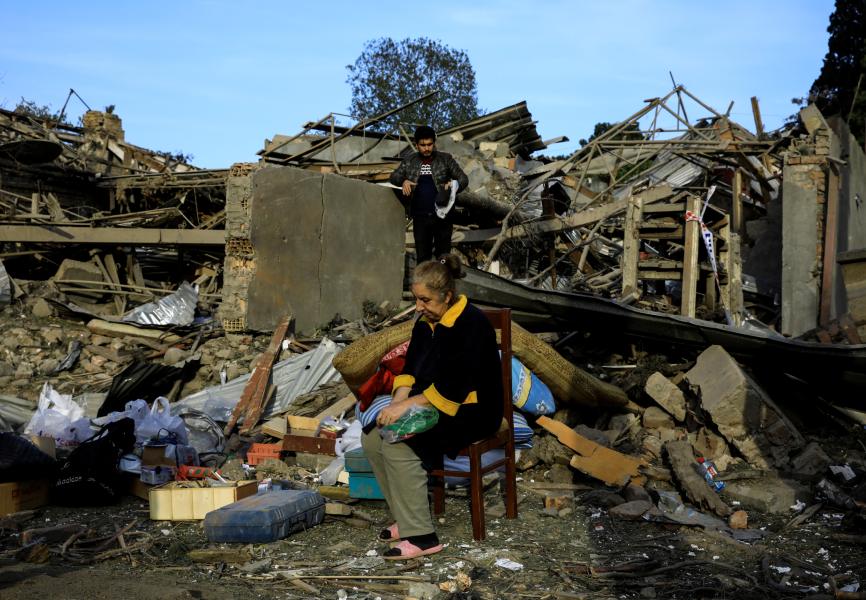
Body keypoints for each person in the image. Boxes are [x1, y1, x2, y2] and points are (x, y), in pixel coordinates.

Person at [360, 255, 504, 559]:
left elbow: (458, 384)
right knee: (373, 437)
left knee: (401, 443)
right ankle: (405, 516)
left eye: (425, 299)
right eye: (416, 298)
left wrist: (408, 406)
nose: (419, 306)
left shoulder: (472, 324)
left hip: (472, 409)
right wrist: (398, 402)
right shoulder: (425, 324)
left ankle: (423, 538)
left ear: (447, 296)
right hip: (433, 404)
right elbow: (410, 369)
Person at [389, 125, 469, 263]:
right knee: (423, 259)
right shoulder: (409, 161)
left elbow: (463, 179)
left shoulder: (445, 159)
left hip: (443, 216)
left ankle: (442, 284)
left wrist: (453, 185)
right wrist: (404, 181)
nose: (427, 148)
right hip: (420, 218)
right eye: (423, 145)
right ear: (416, 144)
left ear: (434, 143)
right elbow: (393, 177)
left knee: (443, 259)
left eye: (430, 144)